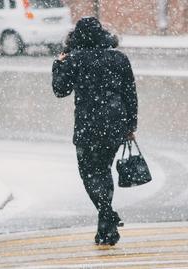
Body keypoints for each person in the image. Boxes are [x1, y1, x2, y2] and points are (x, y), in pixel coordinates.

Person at [51, 17, 138, 246]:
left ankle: (107, 215)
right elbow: (130, 94)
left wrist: (59, 64)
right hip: (115, 125)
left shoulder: (75, 59)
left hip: (88, 126)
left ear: (76, 38)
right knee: (103, 171)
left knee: (89, 174)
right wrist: (131, 126)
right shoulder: (119, 58)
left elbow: (60, 90)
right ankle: (106, 223)